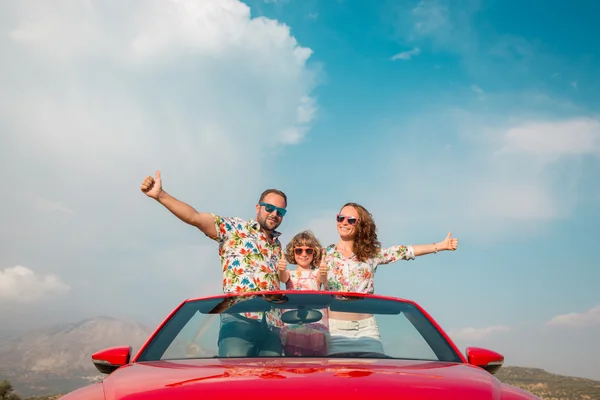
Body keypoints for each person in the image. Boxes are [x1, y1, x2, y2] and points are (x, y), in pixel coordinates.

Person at [140, 170, 288, 357]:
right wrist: (161, 195)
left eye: (280, 212)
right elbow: (195, 217)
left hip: (273, 327)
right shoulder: (235, 228)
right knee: (234, 381)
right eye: (269, 208)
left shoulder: (277, 245)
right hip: (239, 320)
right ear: (258, 207)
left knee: (270, 385)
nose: (274, 214)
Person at [323, 202, 459, 356]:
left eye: (351, 220)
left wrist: (440, 246)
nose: (344, 222)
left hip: (366, 330)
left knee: (370, 379)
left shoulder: (370, 254)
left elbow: (403, 251)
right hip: (334, 331)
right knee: (338, 379)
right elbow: (298, 271)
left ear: (360, 225)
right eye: (340, 218)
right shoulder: (323, 255)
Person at [277, 230, 329, 356]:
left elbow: (322, 278)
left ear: (314, 252)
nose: (304, 254)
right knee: (294, 360)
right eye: (299, 250)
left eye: (308, 250)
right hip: (293, 324)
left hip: (315, 325)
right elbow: (282, 277)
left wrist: (323, 271)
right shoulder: (290, 274)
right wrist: (281, 269)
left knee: (317, 362)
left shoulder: (316, 273)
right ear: (293, 252)